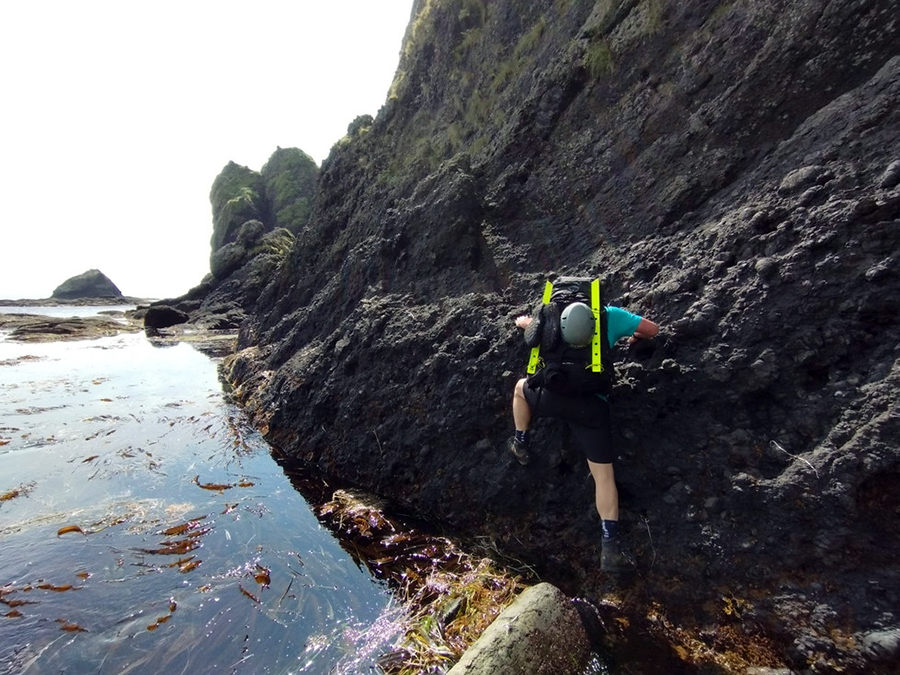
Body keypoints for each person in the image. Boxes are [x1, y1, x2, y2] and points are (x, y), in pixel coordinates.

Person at [509, 280, 659, 574]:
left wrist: (525, 322)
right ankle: (609, 548)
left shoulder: (548, 318)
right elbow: (652, 330)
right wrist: (635, 337)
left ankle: (520, 442)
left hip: (551, 397)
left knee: (518, 388)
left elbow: (530, 327)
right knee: (604, 479)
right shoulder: (610, 315)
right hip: (592, 408)